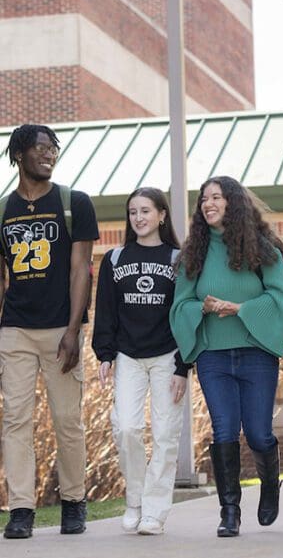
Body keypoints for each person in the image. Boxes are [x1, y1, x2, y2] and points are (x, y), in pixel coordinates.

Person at [170, 176, 283, 538]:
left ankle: (270, 483)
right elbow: (180, 305)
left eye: (216, 198)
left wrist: (240, 308)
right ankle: (229, 511)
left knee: (258, 433)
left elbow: (281, 297)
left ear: (233, 203)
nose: (208, 204)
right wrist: (202, 309)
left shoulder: (263, 248)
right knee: (224, 429)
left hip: (256, 353)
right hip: (214, 357)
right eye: (203, 199)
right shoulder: (193, 252)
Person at [0, 124, 99, 539]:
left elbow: (82, 270)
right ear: (19, 154)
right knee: (15, 420)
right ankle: (21, 508)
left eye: (53, 149)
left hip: (61, 327)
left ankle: (74, 501)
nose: (49, 155)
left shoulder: (74, 203)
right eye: (40, 148)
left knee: (66, 419)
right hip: (15, 330)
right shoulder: (2, 210)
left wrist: (74, 330)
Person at [92, 187, 190, 535]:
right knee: (127, 428)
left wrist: (183, 365)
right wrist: (104, 354)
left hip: (167, 356)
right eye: (133, 211)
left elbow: (186, 315)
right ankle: (135, 498)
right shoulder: (115, 259)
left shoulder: (179, 258)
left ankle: (155, 511)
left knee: (165, 434)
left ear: (162, 215)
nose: (139, 218)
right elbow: (105, 310)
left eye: (146, 211)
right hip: (128, 356)